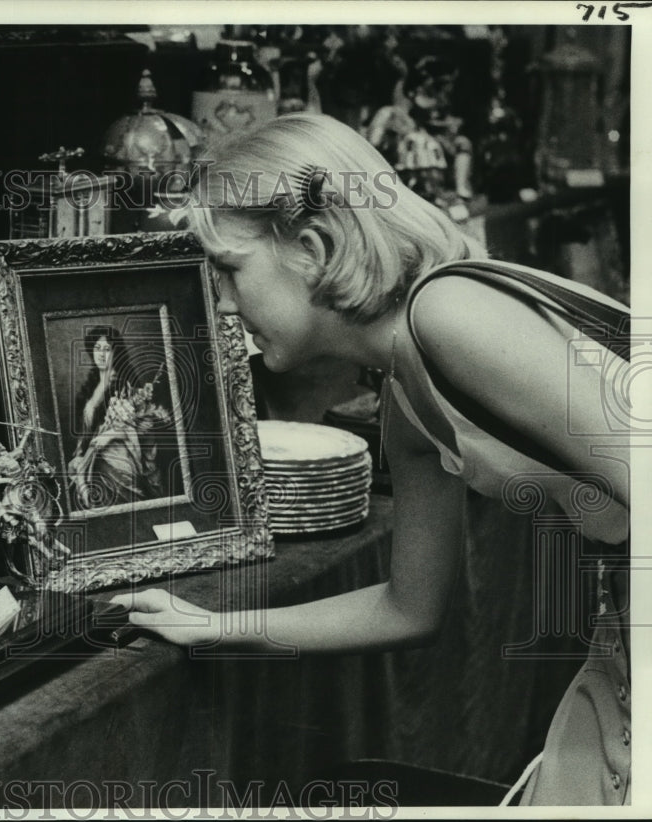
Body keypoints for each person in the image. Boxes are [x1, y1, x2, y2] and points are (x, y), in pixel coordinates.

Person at [111, 113, 630, 805]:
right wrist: (215, 626)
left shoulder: (446, 313)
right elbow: (407, 609)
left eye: (230, 271)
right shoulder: (407, 391)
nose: (223, 306)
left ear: (313, 247)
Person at [68, 325, 170, 510]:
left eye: (107, 349)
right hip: (93, 453)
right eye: (97, 348)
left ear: (116, 352)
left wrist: (110, 435)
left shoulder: (127, 384)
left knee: (123, 501)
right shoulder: (89, 387)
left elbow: (143, 425)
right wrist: (81, 452)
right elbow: (84, 428)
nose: (101, 354)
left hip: (119, 452)